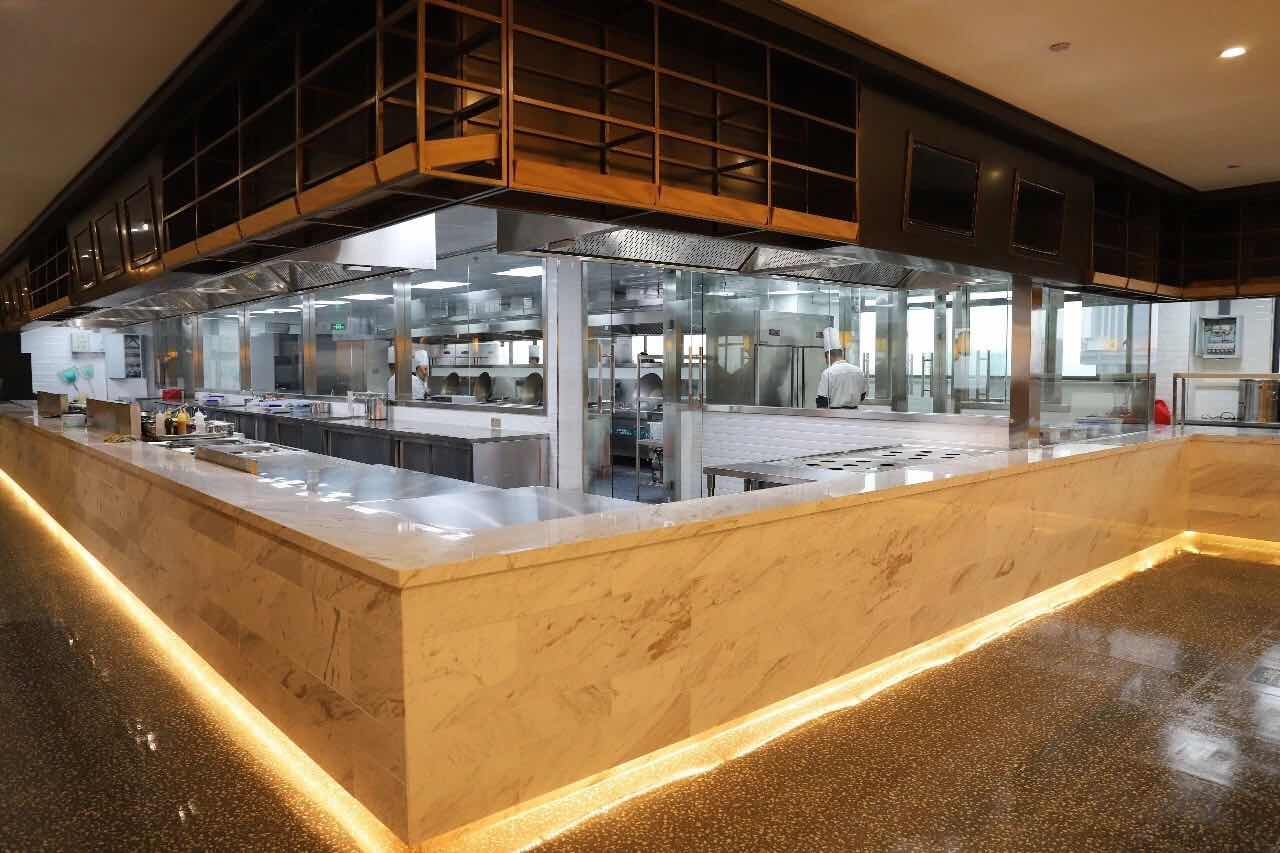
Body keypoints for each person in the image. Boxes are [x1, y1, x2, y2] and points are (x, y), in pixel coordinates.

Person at [815, 327, 867, 409]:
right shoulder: (858, 371)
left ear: (828, 355)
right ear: (841, 354)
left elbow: (822, 401)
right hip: (855, 414)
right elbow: (862, 396)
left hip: (835, 415)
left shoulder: (828, 373)